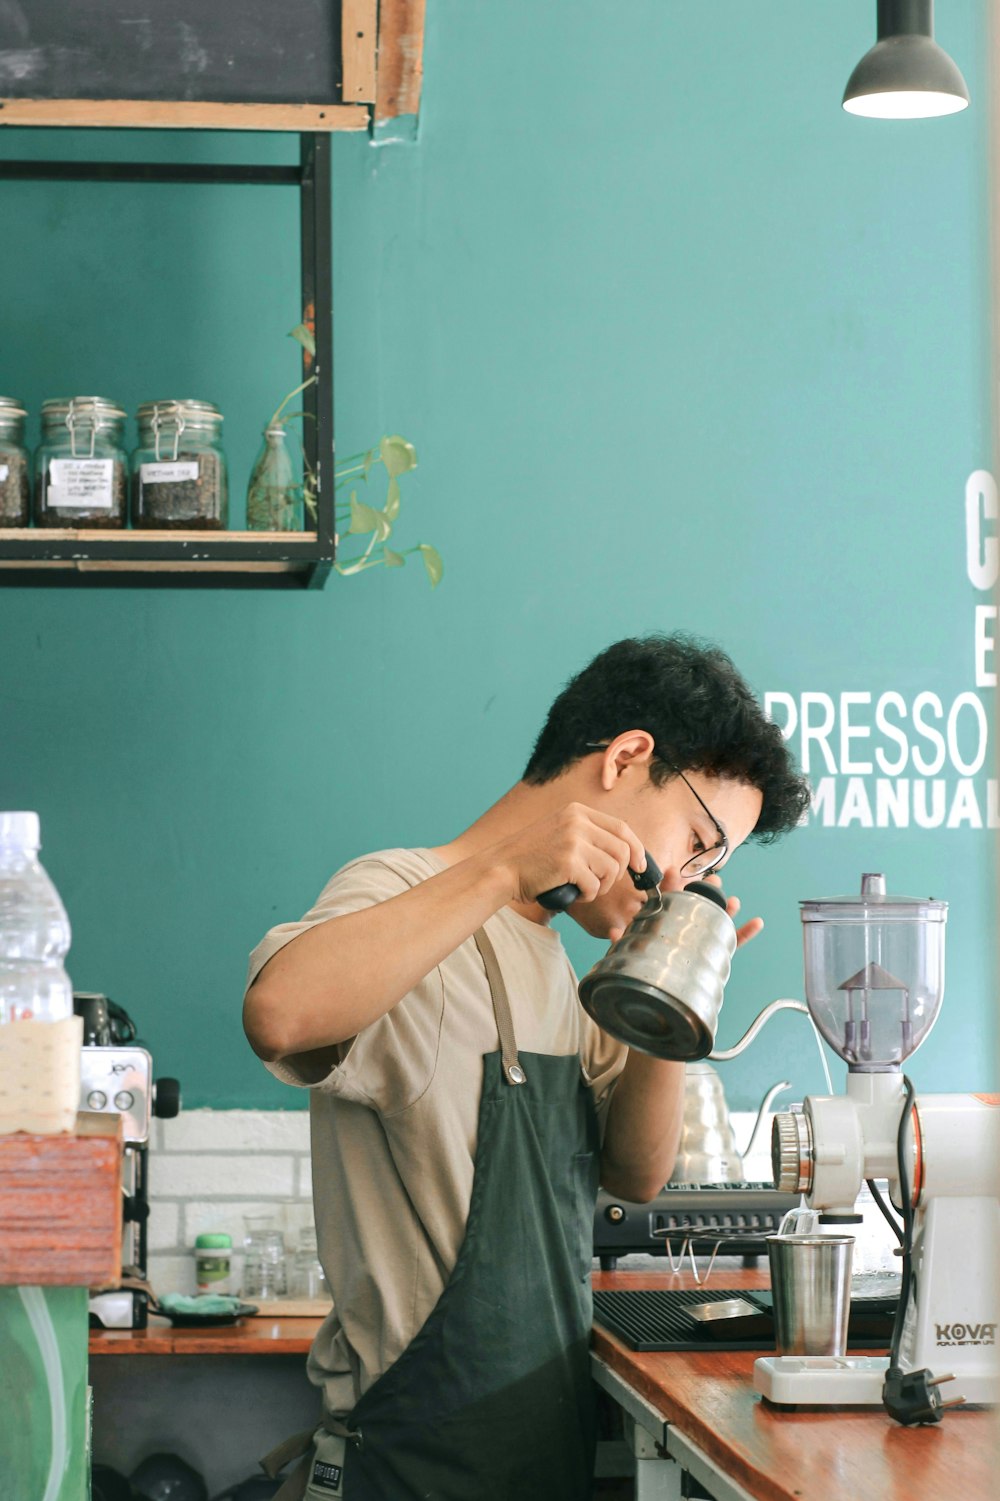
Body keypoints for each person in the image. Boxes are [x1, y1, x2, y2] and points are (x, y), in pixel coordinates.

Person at [243, 634, 811, 1501]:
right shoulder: (401, 888)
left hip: (538, 1459)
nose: (685, 881)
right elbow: (277, 1016)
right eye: (695, 843)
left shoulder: (558, 964)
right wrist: (505, 866)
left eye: (709, 869)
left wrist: (679, 1004)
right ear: (626, 758)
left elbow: (637, 1172)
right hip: (412, 1468)